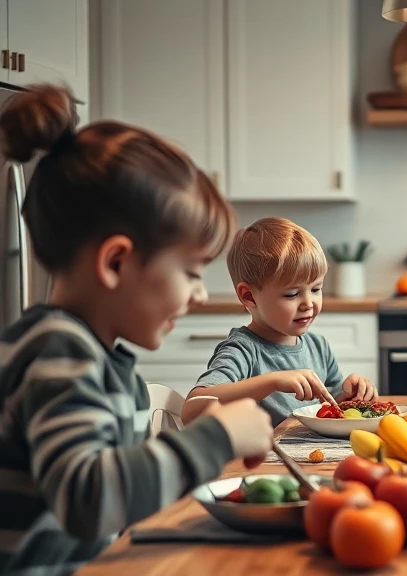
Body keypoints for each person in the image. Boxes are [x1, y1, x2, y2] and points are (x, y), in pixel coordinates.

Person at [0, 84, 273, 575]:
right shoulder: (58, 354)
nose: (200, 294)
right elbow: (89, 500)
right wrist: (216, 438)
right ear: (117, 262)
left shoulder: (90, 355)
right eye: (190, 273)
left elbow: (115, 506)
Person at [183, 217, 378, 427]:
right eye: (292, 294)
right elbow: (192, 409)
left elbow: (329, 408)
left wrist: (352, 393)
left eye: (315, 289)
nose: (308, 304)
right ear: (249, 296)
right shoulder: (243, 350)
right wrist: (272, 382)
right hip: (263, 459)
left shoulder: (317, 346)